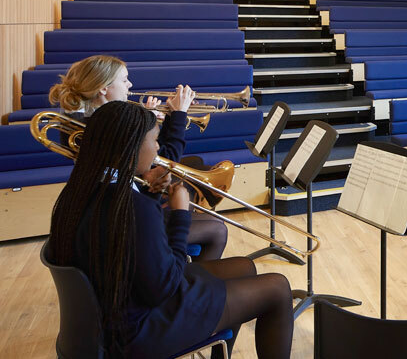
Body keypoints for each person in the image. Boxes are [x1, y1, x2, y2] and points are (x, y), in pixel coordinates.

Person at [48, 101, 293, 359]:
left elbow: (137, 251)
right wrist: (180, 214)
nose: (158, 148)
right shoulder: (134, 208)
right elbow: (164, 287)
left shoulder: (80, 192)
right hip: (139, 330)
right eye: (154, 140)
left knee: (245, 267)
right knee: (277, 288)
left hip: (116, 309)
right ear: (131, 146)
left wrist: (153, 194)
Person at [48, 55, 228, 260]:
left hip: (117, 203)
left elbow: (154, 157)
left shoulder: (95, 119)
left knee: (195, 170)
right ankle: (184, 269)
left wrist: (155, 123)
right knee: (217, 228)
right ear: (103, 88)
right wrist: (177, 116)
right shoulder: (108, 126)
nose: (130, 85)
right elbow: (162, 163)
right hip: (124, 217)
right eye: (124, 79)